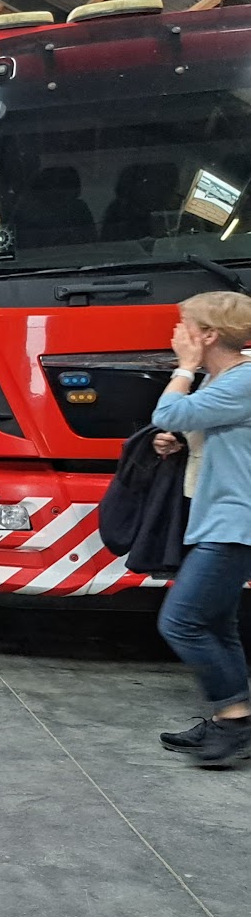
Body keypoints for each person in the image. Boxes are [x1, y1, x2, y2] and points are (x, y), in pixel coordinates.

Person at [153, 291, 251, 764]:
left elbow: (169, 412)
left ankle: (235, 717)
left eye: (184, 325)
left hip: (236, 521)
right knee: (216, 623)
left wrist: (184, 367)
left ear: (208, 335)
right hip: (220, 516)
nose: (176, 333)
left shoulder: (244, 379)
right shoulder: (226, 379)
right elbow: (202, 426)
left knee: (181, 621)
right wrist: (179, 441)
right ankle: (229, 720)